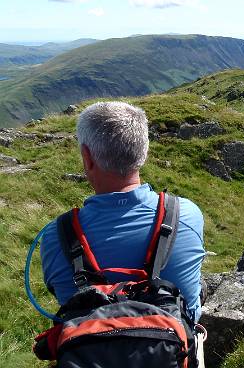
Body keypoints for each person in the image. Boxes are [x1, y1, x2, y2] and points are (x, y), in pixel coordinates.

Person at [39, 101, 205, 322]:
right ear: (143, 152)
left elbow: (61, 296)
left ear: (87, 158)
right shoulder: (186, 215)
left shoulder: (54, 237)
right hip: (174, 353)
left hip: (89, 355)